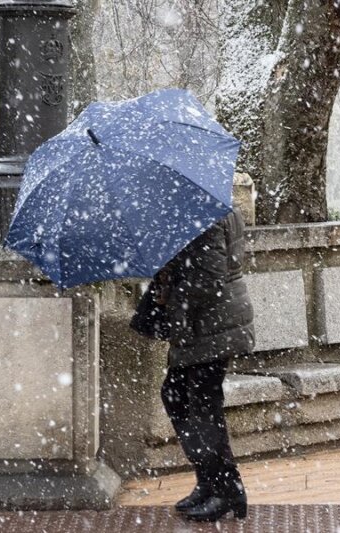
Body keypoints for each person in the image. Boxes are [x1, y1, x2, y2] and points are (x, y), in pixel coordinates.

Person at [130, 207, 255, 522]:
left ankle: (227, 489)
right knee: (178, 395)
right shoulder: (198, 210)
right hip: (204, 327)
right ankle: (211, 481)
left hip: (212, 325)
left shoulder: (204, 214)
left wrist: (169, 294)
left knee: (200, 405)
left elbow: (209, 279)